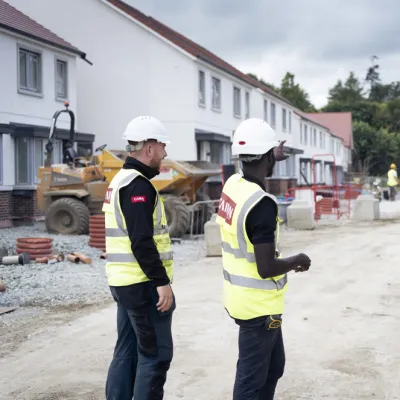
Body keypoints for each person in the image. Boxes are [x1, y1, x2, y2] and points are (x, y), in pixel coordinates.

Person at [216, 118, 312, 400]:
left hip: (241, 299)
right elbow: (266, 267)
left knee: (273, 368)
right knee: (251, 379)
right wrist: (298, 260)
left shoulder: (233, 184)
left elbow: (252, 165)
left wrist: (270, 154)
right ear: (268, 157)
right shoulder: (262, 205)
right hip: (259, 309)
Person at [103, 116, 175, 400]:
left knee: (127, 350)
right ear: (149, 148)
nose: (165, 153)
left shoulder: (120, 180)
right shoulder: (138, 185)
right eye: (162, 146)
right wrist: (161, 282)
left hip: (123, 284)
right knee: (155, 354)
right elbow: (141, 241)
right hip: (142, 285)